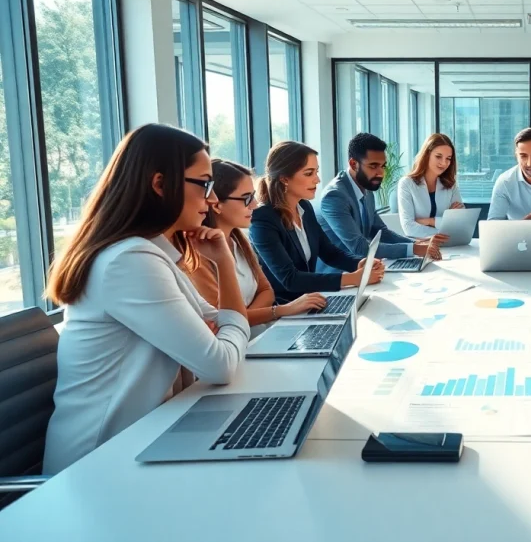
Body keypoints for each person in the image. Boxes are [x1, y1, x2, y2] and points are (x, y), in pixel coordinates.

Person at [43, 124, 250, 474]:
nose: (212, 199)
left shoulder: (150, 252)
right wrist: (221, 330)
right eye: (204, 184)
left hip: (143, 440)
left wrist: (224, 264)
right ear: (159, 184)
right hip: (96, 467)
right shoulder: (128, 261)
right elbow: (220, 364)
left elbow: (218, 322)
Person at [187, 159, 328, 336]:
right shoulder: (198, 255)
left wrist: (244, 317)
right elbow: (221, 319)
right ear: (216, 205)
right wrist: (279, 311)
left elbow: (266, 291)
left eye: (253, 196)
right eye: (246, 198)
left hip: (260, 333)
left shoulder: (240, 240)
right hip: (242, 344)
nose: (254, 204)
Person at [249, 141, 384, 302]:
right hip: (284, 308)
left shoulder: (304, 207)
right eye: (309, 173)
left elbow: (329, 253)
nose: (317, 180)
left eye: (316, 172)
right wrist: (353, 278)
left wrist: (361, 264)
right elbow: (290, 279)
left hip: (312, 300)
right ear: (285, 178)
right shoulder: (262, 219)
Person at [316, 133, 442, 268]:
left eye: (383, 166)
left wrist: (417, 244)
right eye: (373, 166)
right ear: (353, 164)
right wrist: (414, 249)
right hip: (340, 278)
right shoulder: (334, 196)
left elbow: (381, 232)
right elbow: (359, 247)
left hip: (368, 270)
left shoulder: (366, 187)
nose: (381, 173)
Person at [397, 133, 465, 238]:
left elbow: (460, 223)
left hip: (450, 246)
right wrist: (446, 223)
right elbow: (409, 228)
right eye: (438, 156)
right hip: (419, 247)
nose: (444, 163)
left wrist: (431, 221)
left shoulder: (451, 184)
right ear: (427, 155)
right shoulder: (407, 184)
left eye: (448, 158)